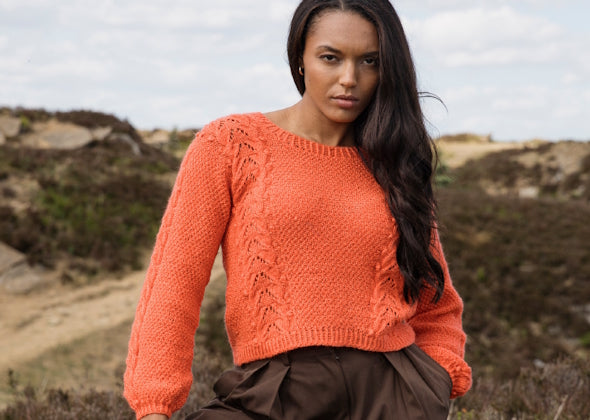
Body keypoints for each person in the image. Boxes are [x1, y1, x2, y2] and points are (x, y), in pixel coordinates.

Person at [124, 0, 472, 419]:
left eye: (370, 61)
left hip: (392, 395)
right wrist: (155, 405)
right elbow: (175, 283)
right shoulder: (229, 144)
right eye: (331, 57)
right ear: (301, 59)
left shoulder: (395, 164)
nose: (349, 79)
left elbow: (437, 303)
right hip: (275, 389)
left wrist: (437, 378)